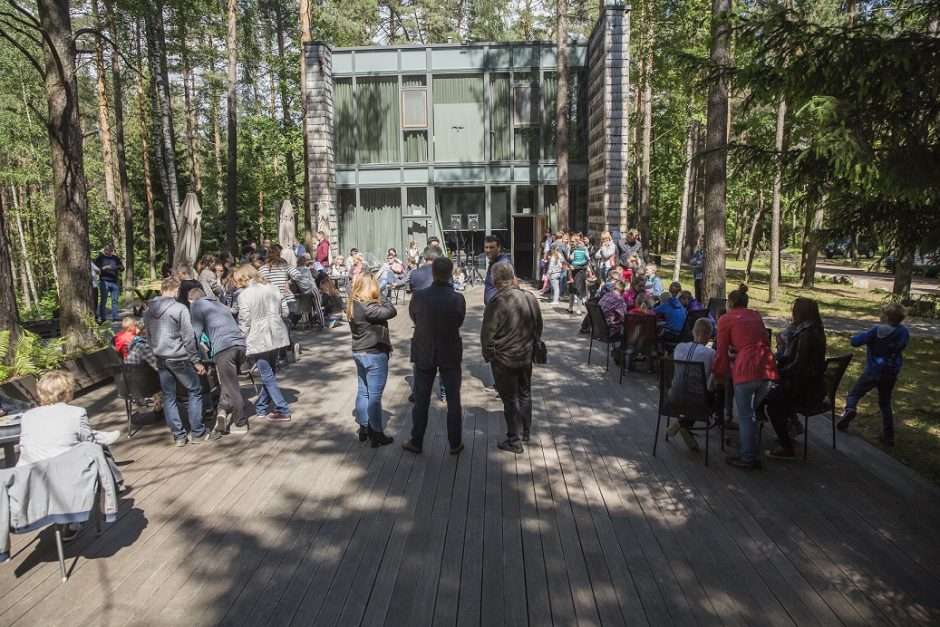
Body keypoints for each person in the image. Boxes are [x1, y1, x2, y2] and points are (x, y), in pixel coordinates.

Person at [142, 278, 219, 446]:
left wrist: (155, 350)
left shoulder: (147, 311)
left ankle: (178, 435)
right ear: (176, 290)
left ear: (161, 290)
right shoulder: (179, 309)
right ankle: (198, 432)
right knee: (194, 391)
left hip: (161, 357)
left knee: (169, 397)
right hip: (180, 357)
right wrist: (197, 361)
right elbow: (188, 338)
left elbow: (148, 336)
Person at [403, 257, 467, 455]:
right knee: (453, 399)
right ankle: (455, 443)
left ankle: (417, 441)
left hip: (424, 350)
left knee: (421, 399)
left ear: (433, 273)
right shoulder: (457, 298)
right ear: (451, 274)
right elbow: (459, 321)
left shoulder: (419, 296)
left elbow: (413, 316)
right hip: (449, 351)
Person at [712, 285, 778, 469]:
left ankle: (747, 457)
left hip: (747, 368)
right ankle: (753, 452)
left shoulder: (726, 319)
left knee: (746, 415)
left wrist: (719, 374)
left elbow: (721, 350)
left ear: (730, 303)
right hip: (768, 368)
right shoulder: (756, 315)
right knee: (751, 413)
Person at [481, 262, 543, 454]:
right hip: (526, 355)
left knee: (510, 399)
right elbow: (538, 325)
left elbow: (487, 336)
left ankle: (515, 441)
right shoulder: (529, 297)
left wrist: (489, 355)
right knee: (525, 393)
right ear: (513, 276)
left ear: (494, 280)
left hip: (504, 358)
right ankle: (525, 431)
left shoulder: (496, 302)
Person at [837, 302, 910, 446]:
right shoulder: (903, 332)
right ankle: (889, 437)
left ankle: (850, 410)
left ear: (887, 317)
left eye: (882, 313)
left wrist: (863, 338)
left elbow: (855, 342)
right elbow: (902, 345)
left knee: (854, 395)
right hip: (890, 373)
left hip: (873, 371)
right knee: (885, 403)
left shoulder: (877, 330)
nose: (880, 315)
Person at [764, 298, 827, 459]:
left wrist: (779, 371)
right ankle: (793, 425)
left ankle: (786, 447)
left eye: (795, 311)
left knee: (772, 403)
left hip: (802, 386)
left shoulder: (805, 335)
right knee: (775, 394)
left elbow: (798, 365)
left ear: (800, 313)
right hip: (812, 383)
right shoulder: (815, 329)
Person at [17, 370, 121, 467]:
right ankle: (101, 437)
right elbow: (89, 442)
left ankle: (99, 436)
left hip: (28, 471)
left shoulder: (28, 415)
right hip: (62, 469)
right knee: (93, 445)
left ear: (40, 392)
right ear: (67, 392)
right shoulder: (77, 412)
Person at [234, 265, 292, 423]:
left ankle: (282, 408)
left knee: (267, 375)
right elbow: (285, 311)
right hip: (276, 332)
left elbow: (244, 321)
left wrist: (242, 338)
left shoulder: (245, 295)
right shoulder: (272, 287)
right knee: (270, 373)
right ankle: (261, 406)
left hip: (258, 335)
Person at [189, 288, 249, 434]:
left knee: (231, 386)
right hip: (241, 345)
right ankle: (222, 409)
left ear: (192, 300)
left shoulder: (197, 306)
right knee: (228, 384)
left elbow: (195, 334)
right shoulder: (220, 305)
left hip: (224, 348)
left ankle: (240, 421)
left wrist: (194, 355)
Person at [348, 272, 397, 447]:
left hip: (359, 352)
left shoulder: (353, 303)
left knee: (363, 391)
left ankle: (364, 427)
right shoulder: (369, 306)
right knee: (374, 396)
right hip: (373, 353)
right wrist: (382, 295)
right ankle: (377, 433)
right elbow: (392, 310)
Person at [666, 318, 718, 450]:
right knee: (716, 396)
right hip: (696, 401)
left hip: (673, 396)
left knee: (691, 390)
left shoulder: (679, 347)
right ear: (708, 336)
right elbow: (718, 374)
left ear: (694, 331)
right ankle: (683, 424)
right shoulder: (710, 354)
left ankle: (683, 424)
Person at [95, 243, 125, 323]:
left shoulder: (115, 258)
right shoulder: (100, 258)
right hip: (104, 282)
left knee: (115, 301)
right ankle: (103, 318)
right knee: (103, 300)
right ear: (105, 249)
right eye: (108, 250)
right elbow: (96, 269)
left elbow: (122, 268)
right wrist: (106, 267)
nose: (110, 252)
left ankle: (115, 317)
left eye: (111, 250)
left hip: (114, 282)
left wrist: (121, 267)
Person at [483, 234, 511, 306]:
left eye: (491, 247)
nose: (488, 250)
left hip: (500, 309)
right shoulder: (493, 262)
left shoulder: (502, 264)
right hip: (493, 309)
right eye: (486, 247)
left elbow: (514, 286)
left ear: (499, 248)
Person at [567, 236, 590, 316]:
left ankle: (579, 309)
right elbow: (568, 259)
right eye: (571, 241)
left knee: (579, 290)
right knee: (571, 289)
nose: (571, 243)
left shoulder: (584, 249)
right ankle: (570, 307)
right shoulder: (571, 249)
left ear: (577, 242)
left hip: (580, 272)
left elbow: (587, 261)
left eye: (573, 241)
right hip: (571, 271)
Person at [689, 236, 705, 304]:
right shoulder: (698, 251)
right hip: (696, 276)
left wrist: (696, 262)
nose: (700, 242)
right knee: (697, 294)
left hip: (702, 276)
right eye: (700, 241)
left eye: (702, 241)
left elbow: (702, 264)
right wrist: (697, 262)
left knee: (701, 295)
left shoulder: (706, 252)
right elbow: (690, 262)